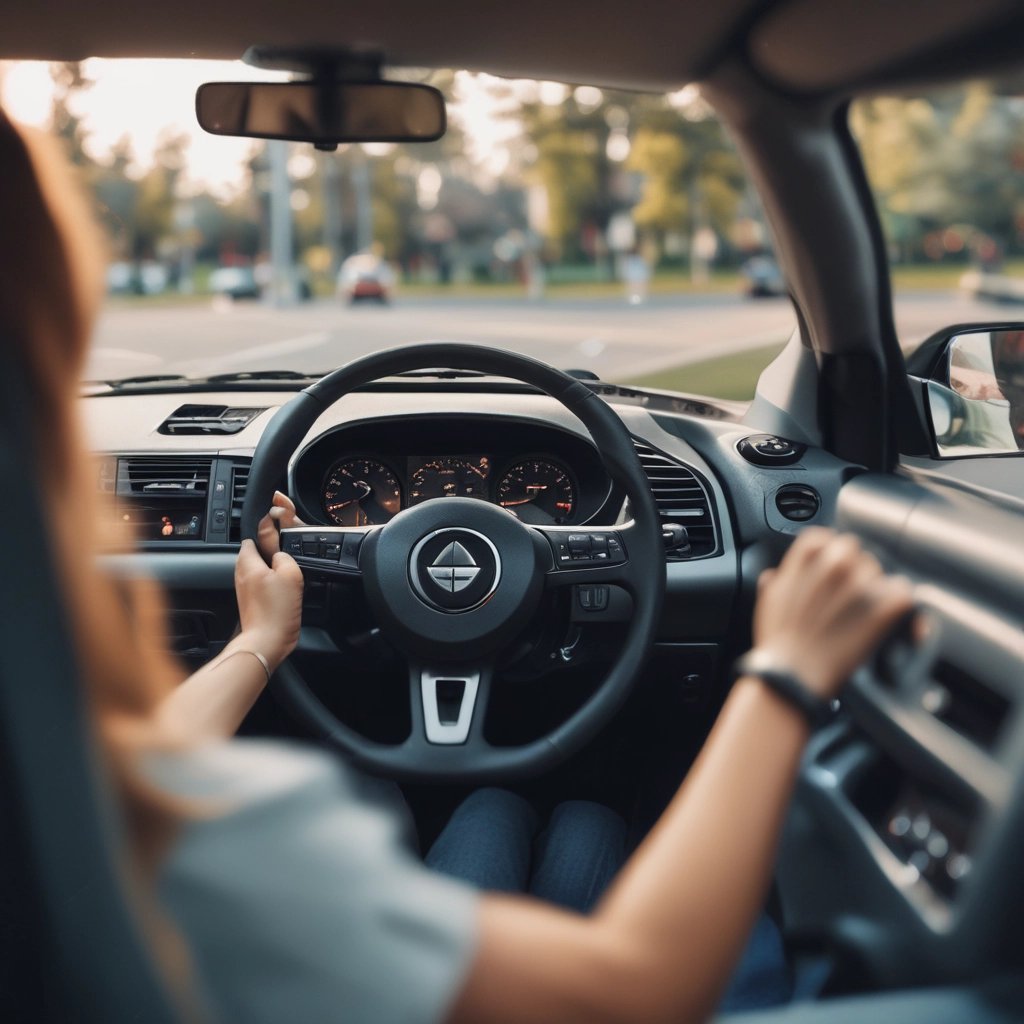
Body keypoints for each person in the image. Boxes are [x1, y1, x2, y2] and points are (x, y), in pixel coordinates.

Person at [3, 107, 915, 1023]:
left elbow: (149, 774)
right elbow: (639, 988)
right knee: (571, 822)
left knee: (502, 815)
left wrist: (260, 642)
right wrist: (786, 677)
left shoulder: (83, 815)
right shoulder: (230, 850)